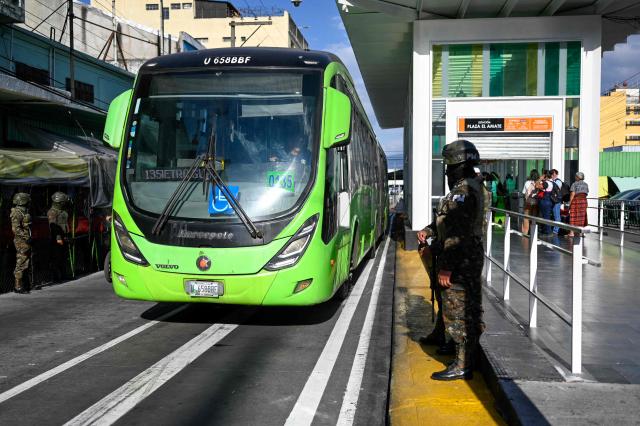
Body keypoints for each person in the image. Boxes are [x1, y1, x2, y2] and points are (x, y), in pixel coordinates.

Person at [417, 139, 485, 381]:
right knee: (450, 301)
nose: (446, 171)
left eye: (449, 166)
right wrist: (430, 229)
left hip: (462, 258)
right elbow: (446, 222)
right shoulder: (462, 188)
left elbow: (460, 233)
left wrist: (447, 267)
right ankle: (445, 338)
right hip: (456, 254)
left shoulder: (466, 191)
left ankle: (463, 363)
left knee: (460, 307)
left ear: (459, 165)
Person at [10, 192, 32, 294]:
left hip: (25, 240)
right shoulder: (16, 213)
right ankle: (17, 286)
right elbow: (16, 229)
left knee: (25, 262)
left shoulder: (23, 211)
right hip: (21, 240)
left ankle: (25, 284)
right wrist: (26, 236)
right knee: (21, 262)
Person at [48, 191, 70, 282]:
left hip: (64, 236)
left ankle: (64, 275)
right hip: (56, 238)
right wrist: (58, 238)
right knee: (56, 258)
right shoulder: (52, 212)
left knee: (64, 257)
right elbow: (53, 227)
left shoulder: (63, 211)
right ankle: (56, 277)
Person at [567, 172, 589, 237]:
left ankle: (572, 233)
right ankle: (580, 232)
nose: (575, 177)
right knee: (582, 217)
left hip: (576, 201)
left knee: (573, 216)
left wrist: (570, 204)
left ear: (578, 177)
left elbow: (572, 195)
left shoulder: (574, 184)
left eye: (575, 176)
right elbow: (586, 193)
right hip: (584, 201)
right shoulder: (586, 184)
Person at [521, 170, 540, 235]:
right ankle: (534, 233)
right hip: (536, 202)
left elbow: (524, 193)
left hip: (528, 202)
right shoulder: (539, 182)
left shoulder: (527, 182)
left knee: (526, 217)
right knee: (534, 218)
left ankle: (525, 233)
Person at [550, 169, 564, 234]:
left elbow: (554, 188)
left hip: (557, 201)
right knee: (555, 215)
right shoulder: (553, 181)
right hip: (554, 200)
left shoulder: (558, 182)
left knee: (557, 216)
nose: (553, 176)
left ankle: (556, 231)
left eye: (554, 174)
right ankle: (555, 229)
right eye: (552, 174)